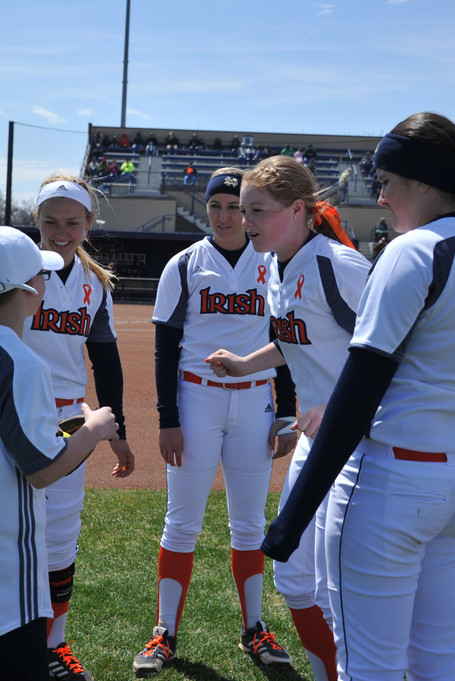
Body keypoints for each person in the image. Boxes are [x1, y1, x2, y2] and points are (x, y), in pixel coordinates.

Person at [259, 113, 455, 680]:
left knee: (370, 667)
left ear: (423, 181)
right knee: (440, 659)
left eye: (387, 181)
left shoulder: (415, 250)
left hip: (393, 480)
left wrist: (292, 520)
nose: (381, 196)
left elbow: (359, 389)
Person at [0, 225, 119, 681]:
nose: (46, 283)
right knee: (17, 665)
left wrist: (57, 430)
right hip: (0, 544)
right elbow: (43, 470)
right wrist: (94, 430)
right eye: (41, 276)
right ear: (29, 288)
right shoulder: (22, 361)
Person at [206, 155, 372, 681]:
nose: (245, 221)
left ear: (298, 209)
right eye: (243, 211)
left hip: (361, 447)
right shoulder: (277, 264)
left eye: (257, 210)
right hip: (317, 441)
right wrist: (245, 364)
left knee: (337, 587)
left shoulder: (338, 265)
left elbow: (395, 353)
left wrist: (340, 408)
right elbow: (296, 340)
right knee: (295, 577)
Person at [132, 167, 299, 676]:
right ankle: (164, 632)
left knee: (249, 523)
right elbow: (165, 348)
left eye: (236, 207)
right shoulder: (184, 264)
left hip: (255, 402)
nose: (226, 217)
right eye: (217, 207)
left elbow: (286, 340)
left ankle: (254, 628)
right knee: (181, 522)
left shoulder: (271, 262)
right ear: (205, 209)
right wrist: (167, 417)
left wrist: (287, 410)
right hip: (196, 399)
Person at [0, 175, 137, 680]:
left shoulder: (96, 284)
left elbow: (105, 362)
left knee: (61, 540)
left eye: (72, 222)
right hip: (12, 411)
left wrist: (117, 431)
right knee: (5, 534)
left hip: (68, 418)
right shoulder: (13, 271)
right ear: (36, 221)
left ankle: (53, 644)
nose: (61, 232)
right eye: (50, 222)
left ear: (88, 223)